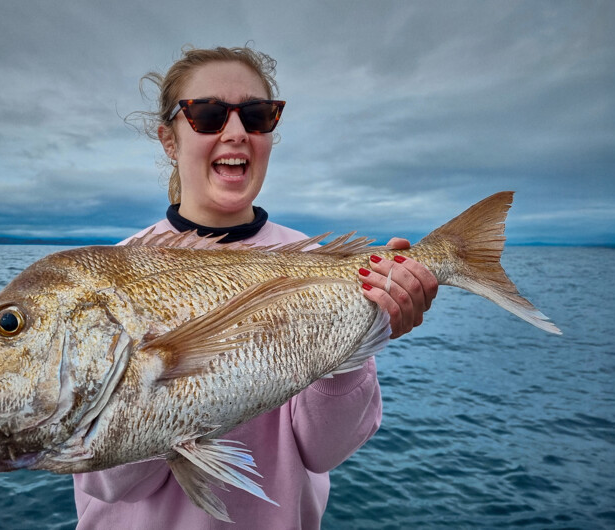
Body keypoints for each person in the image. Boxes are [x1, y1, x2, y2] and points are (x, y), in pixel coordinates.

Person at [72, 46, 438, 529]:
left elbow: (324, 451)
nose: (237, 131)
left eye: (257, 115)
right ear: (168, 140)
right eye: (207, 114)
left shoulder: (317, 265)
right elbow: (115, 484)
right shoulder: (110, 275)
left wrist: (365, 333)